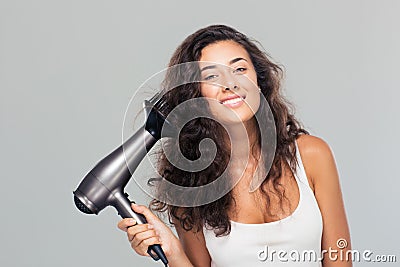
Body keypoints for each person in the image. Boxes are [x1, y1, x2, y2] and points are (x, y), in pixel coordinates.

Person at [117, 24, 352, 267]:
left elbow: (340, 260)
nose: (230, 84)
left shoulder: (312, 155)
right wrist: (174, 252)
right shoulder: (188, 186)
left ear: (258, 81)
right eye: (211, 76)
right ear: (195, 97)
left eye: (239, 69)